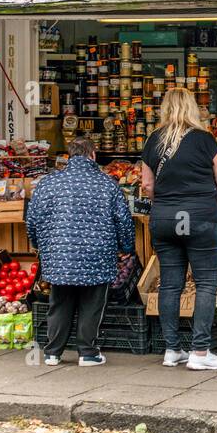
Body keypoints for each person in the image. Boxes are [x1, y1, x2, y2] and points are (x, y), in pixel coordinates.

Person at [140, 87, 217, 371]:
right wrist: (212, 209)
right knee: (206, 282)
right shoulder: (205, 140)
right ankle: (200, 352)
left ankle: (172, 349)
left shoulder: (153, 140)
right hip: (199, 217)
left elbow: (146, 185)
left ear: (165, 109)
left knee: (170, 283)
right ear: (192, 108)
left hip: (165, 219)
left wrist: (166, 204)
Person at [26, 135, 134, 367]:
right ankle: (87, 352)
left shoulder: (48, 183)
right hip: (97, 255)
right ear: (93, 155)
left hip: (58, 256)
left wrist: (39, 245)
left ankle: (52, 352)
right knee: (92, 303)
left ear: (69, 156)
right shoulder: (108, 184)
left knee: (60, 302)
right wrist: (126, 247)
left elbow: (32, 220)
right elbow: (123, 221)